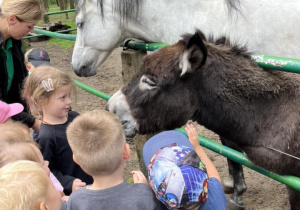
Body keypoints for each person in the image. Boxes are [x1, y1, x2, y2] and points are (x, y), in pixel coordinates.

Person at [66, 109, 166, 210]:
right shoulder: (144, 196)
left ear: (76, 159)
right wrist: (144, 189)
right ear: (126, 152)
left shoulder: (76, 200)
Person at [22, 65, 93, 195]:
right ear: (41, 100)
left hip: (93, 180)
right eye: (63, 97)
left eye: (69, 95)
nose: (69, 101)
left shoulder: (74, 117)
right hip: (76, 191)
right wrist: (68, 183)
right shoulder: (46, 137)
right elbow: (48, 170)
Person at [143, 124, 227, 210]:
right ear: (205, 185)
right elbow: (214, 177)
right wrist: (197, 147)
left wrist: (144, 190)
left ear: (158, 196)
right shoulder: (215, 198)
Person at [0, 0, 45, 132]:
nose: (31, 31)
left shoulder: (14, 41)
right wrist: (32, 122)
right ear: (12, 19)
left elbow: (20, 81)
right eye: (29, 26)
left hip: (12, 117)